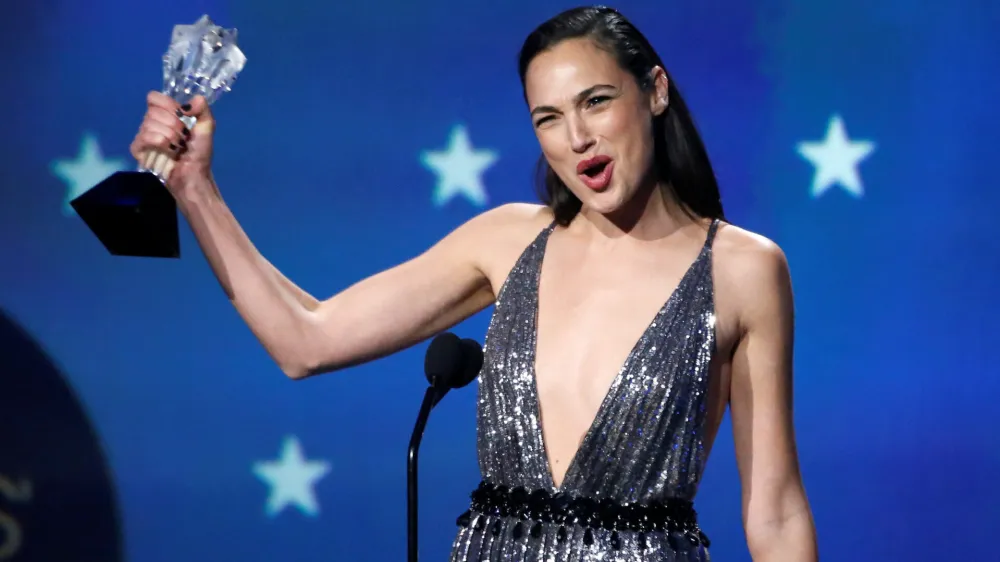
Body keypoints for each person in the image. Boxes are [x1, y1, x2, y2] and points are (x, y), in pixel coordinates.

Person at [130, 5, 817, 561]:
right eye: (549, 118)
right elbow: (304, 341)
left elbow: (776, 511)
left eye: (596, 101)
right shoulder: (508, 240)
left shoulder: (743, 269)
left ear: (656, 91)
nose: (577, 138)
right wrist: (196, 190)